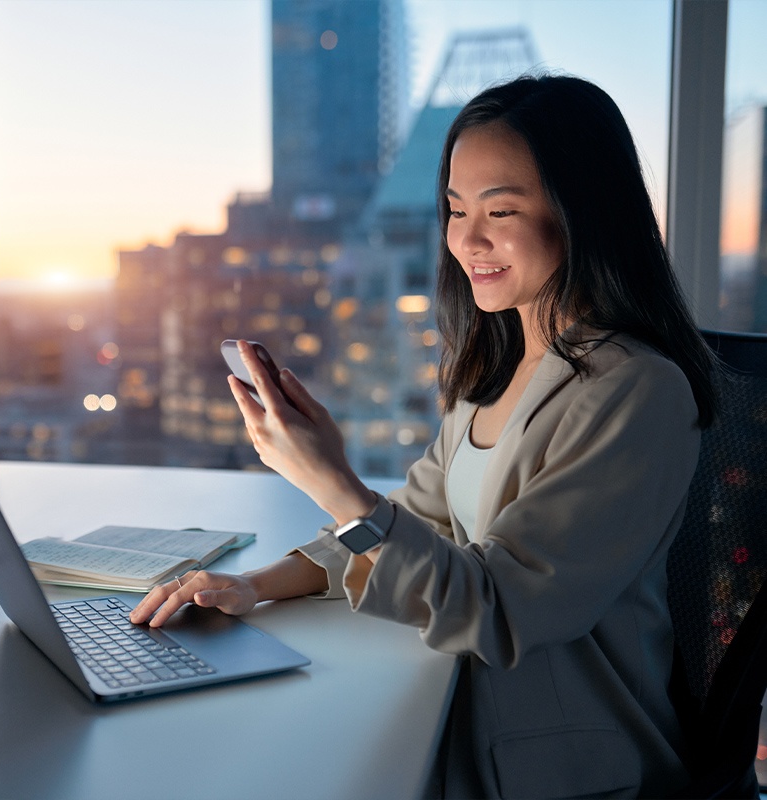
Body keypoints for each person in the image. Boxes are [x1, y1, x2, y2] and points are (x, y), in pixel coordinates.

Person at [131, 74, 716, 799]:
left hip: (566, 771)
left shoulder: (637, 391)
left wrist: (333, 483)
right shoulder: (496, 376)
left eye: (500, 209)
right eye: (454, 208)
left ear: (584, 213)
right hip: (473, 724)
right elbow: (415, 524)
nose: (468, 239)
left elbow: (499, 609)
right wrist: (252, 586)